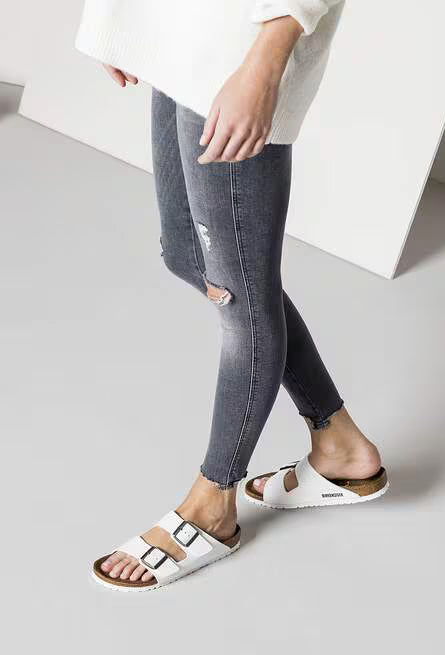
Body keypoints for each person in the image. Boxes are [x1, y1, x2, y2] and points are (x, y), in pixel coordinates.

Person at [76, 0, 388, 592]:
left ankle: (212, 503)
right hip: (181, 27)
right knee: (189, 257)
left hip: (239, 46)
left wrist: (264, 65)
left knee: (240, 295)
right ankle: (342, 445)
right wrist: (118, 20)